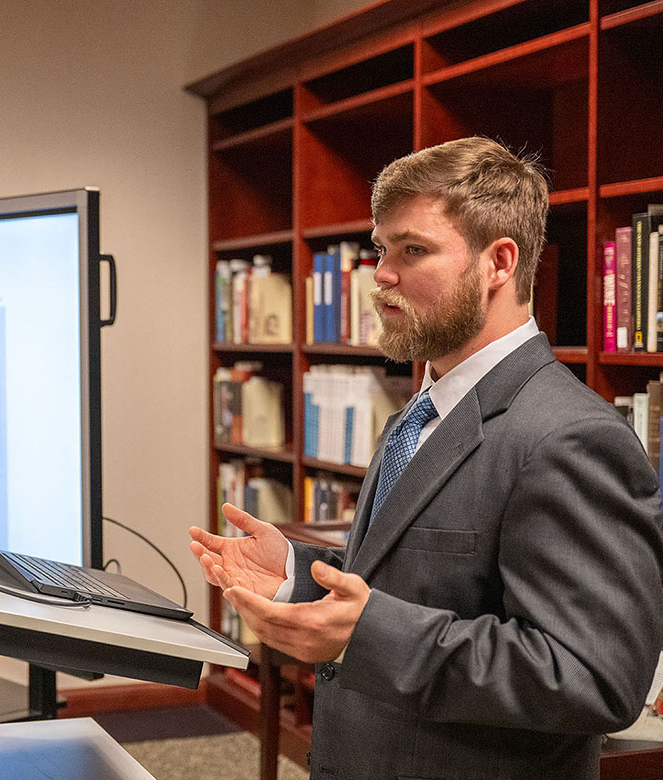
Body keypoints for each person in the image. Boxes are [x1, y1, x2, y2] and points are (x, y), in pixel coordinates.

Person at [190, 137, 663, 779]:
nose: (381, 275)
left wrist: (364, 637)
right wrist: (297, 575)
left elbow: (593, 677)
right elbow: (410, 590)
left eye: (412, 250)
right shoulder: (421, 410)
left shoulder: (572, 437)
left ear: (499, 263)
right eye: (381, 249)